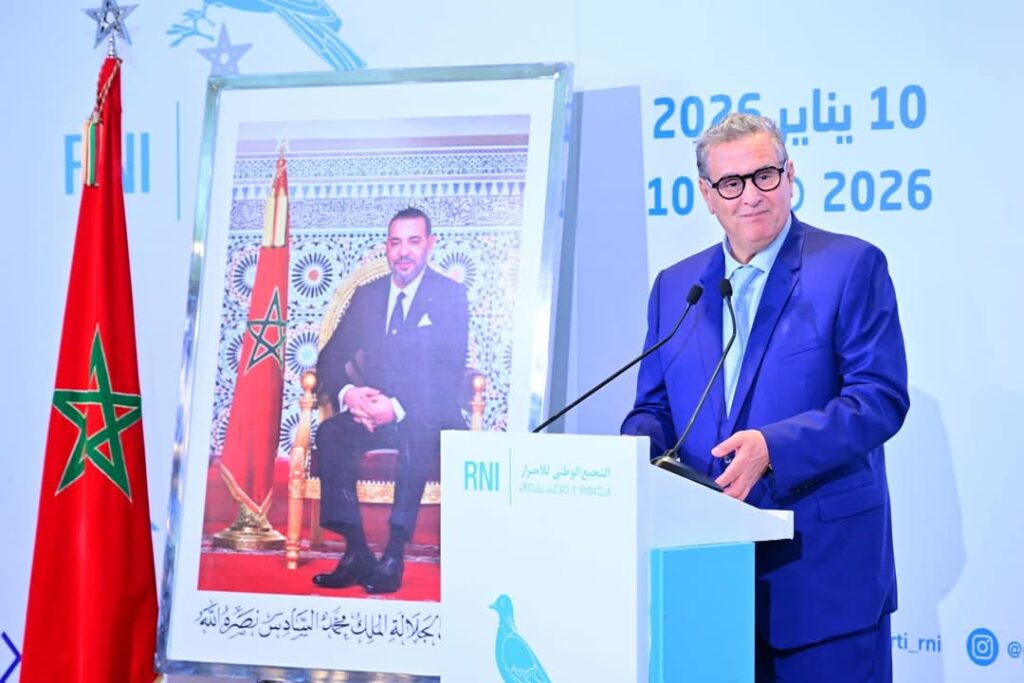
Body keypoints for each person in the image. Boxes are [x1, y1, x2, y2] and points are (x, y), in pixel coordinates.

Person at [621, 113, 909, 681]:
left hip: (821, 578)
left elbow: (878, 398)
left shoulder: (850, 266)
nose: (751, 195)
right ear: (707, 195)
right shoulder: (677, 287)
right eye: (731, 183)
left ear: (789, 175)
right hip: (703, 585)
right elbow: (653, 409)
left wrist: (773, 449)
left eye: (764, 176)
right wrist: (630, 461)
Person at [312, 207, 469, 594]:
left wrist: (395, 408)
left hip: (428, 414)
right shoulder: (368, 296)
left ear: (429, 245)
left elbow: (449, 372)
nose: (404, 252)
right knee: (331, 434)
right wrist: (352, 396)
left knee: (417, 433)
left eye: (413, 242)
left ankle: (394, 554)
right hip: (374, 412)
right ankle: (357, 551)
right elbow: (329, 358)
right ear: (386, 247)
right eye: (396, 242)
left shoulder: (449, 296)